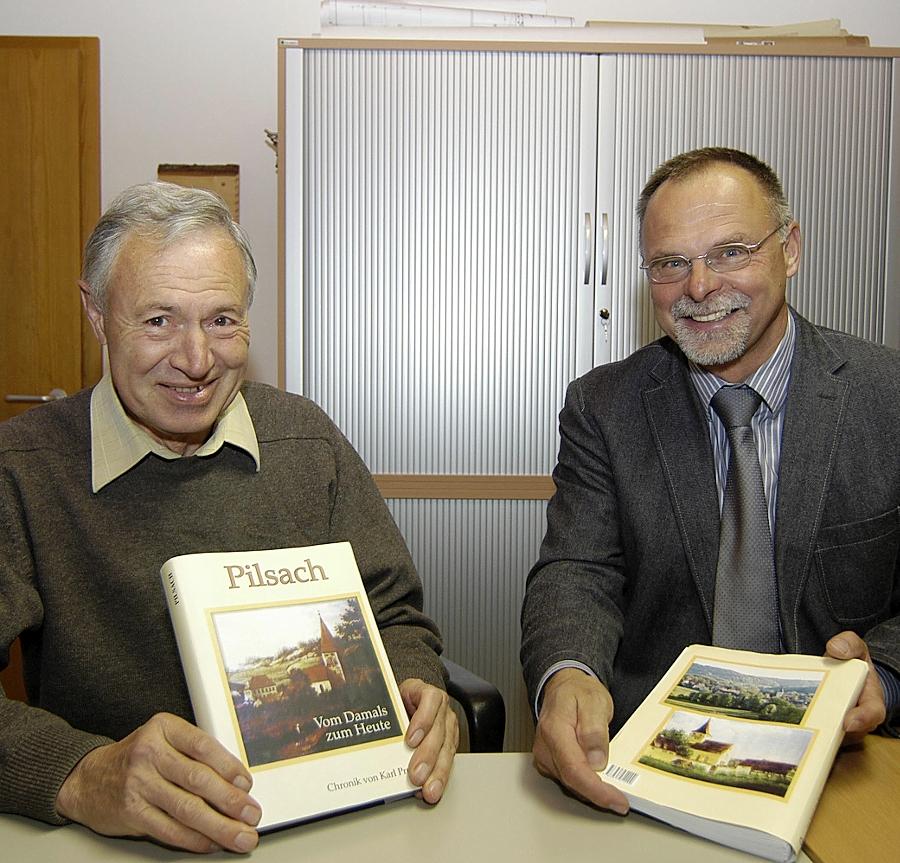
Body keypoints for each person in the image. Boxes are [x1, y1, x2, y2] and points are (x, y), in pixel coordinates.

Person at [0, 182, 457, 852]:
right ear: (96, 314)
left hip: (326, 827)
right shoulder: (24, 466)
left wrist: (417, 684)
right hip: (115, 841)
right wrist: (82, 772)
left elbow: (395, 615)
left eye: (221, 319)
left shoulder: (308, 440)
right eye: (158, 320)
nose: (195, 360)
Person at [520, 147, 899, 814]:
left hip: (852, 768)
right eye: (670, 263)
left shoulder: (888, 396)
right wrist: (569, 673)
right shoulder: (604, 406)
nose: (698, 286)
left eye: (729, 252)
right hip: (658, 765)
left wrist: (887, 675)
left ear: (790, 249)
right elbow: (578, 571)